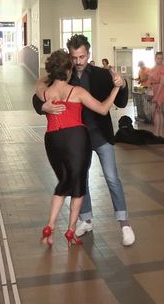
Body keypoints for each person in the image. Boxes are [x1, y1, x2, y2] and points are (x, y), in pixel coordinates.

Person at [32, 34, 135, 246]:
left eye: (82, 56)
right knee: (82, 180)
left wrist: (121, 83)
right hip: (77, 141)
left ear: (88, 54)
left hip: (100, 135)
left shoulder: (101, 74)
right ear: (69, 58)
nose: (79, 61)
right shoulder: (63, 77)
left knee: (112, 178)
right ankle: (85, 219)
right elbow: (38, 95)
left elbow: (122, 102)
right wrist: (43, 107)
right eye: (74, 57)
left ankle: (124, 223)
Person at [148, 52, 164, 137]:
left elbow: (161, 83)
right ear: (155, 58)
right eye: (158, 58)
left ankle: (158, 132)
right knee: (156, 112)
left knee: (157, 111)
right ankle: (158, 132)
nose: (159, 60)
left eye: (161, 58)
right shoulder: (153, 68)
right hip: (154, 90)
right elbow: (150, 81)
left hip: (160, 91)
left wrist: (156, 96)